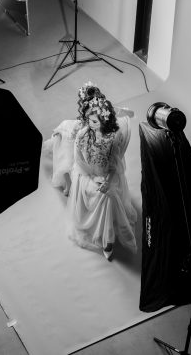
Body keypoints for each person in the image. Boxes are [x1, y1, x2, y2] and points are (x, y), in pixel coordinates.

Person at [46, 82, 137, 260]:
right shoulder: (81, 135)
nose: (90, 123)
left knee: (108, 195)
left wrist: (107, 181)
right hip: (87, 176)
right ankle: (106, 238)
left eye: (94, 121)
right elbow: (79, 164)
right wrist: (95, 179)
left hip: (107, 175)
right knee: (105, 195)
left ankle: (108, 239)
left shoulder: (112, 138)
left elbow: (115, 166)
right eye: (89, 120)